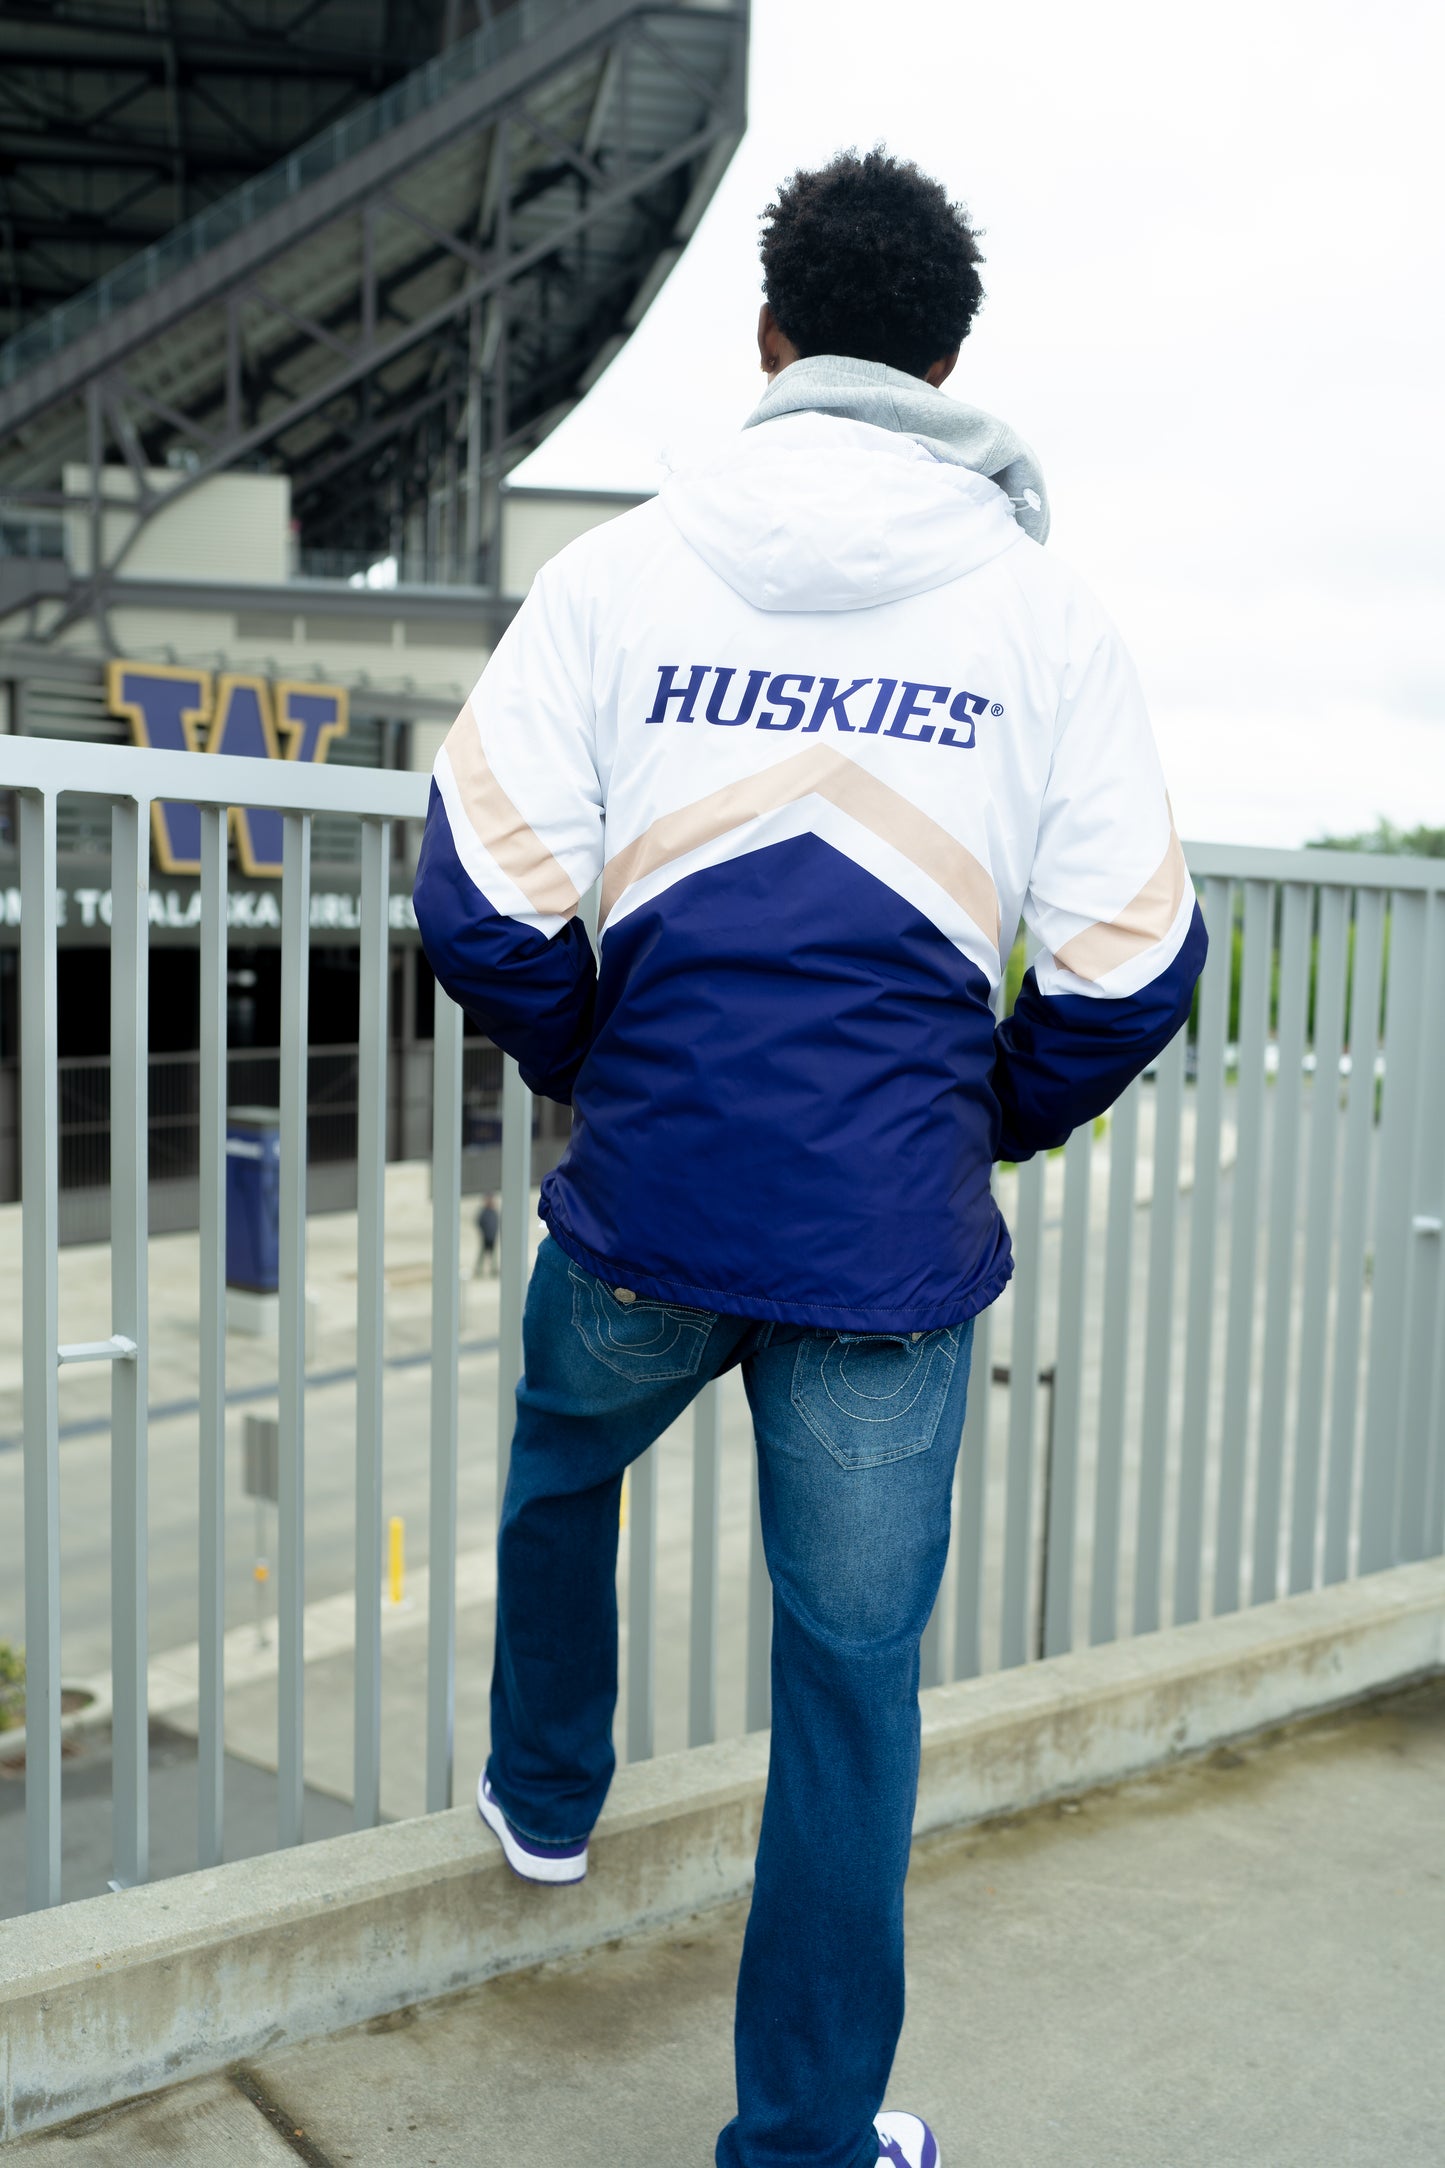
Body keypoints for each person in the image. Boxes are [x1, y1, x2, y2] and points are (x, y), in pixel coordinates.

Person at [414, 147, 1205, 2168]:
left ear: (765, 340)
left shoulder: (618, 575)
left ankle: (542, 1792)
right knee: (847, 1695)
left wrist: (605, 1066)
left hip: (638, 1209)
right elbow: (1128, 971)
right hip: (885, 1258)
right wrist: (973, 1113)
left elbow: (476, 900)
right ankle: (798, 2142)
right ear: (948, 362)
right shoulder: (1043, 619)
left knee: (555, 1460)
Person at [475, 1193, 499, 1278]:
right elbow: (479, 1222)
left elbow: (497, 1223)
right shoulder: (484, 1212)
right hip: (486, 1237)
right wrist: (484, 1231)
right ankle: (478, 1270)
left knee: (493, 1255)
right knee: (482, 1255)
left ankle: (493, 1270)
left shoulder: (494, 1212)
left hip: (492, 1236)